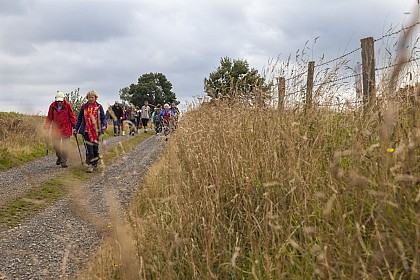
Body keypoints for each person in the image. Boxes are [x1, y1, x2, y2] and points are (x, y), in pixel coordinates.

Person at [73, 90, 107, 173]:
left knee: (95, 148)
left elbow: (103, 117)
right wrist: (76, 128)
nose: (91, 99)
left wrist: (104, 125)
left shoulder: (99, 107)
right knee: (89, 149)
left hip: (96, 131)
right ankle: (90, 165)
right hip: (86, 131)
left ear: (95, 98)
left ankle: (95, 162)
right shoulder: (84, 107)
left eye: (92, 97)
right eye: (89, 97)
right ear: (87, 98)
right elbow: (80, 119)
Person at [44, 91, 77, 168]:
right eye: (58, 101)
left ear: (63, 99)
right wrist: (46, 126)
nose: (59, 102)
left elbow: (72, 116)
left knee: (65, 146)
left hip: (66, 129)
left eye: (61, 101)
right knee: (56, 146)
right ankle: (59, 157)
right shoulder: (52, 106)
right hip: (56, 130)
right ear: (56, 100)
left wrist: (75, 126)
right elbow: (49, 117)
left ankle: (63, 162)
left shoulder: (68, 105)